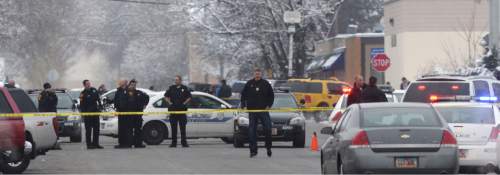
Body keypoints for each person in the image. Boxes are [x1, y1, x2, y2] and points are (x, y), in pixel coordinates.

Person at [241, 69, 274, 158]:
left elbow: (271, 95)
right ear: (254, 74)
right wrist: (243, 105)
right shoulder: (249, 84)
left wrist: (269, 105)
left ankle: (268, 148)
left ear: (261, 74)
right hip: (252, 111)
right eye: (256, 73)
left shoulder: (266, 84)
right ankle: (253, 150)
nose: (257, 75)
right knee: (252, 131)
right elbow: (243, 95)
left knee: (268, 128)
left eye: (259, 73)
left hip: (263, 110)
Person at [165, 75, 192, 148]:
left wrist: (184, 103)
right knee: (173, 128)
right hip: (173, 111)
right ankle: (174, 143)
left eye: (177, 80)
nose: (176, 81)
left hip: (182, 111)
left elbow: (189, 97)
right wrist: (170, 102)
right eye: (175, 80)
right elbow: (166, 96)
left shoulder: (184, 88)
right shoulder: (171, 88)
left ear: (180, 80)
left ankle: (184, 143)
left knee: (182, 128)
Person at [124, 79, 149, 148]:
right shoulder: (125, 92)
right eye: (132, 85)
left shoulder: (139, 92)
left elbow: (147, 97)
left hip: (137, 115)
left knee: (138, 129)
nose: (133, 86)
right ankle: (129, 144)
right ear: (129, 85)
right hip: (129, 115)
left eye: (134, 85)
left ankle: (138, 144)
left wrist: (144, 105)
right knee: (129, 130)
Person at [79, 80, 103, 149]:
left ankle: (96, 144)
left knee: (96, 129)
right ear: (84, 85)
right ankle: (89, 145)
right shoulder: (82, 93)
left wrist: (100, 106)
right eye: (87, 84)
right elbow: (81, 105)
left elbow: (98, 99)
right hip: (88, 114)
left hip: (95, 113)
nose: (89, 85)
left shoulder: (94, 90)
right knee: (88, 130)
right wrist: (83, 113)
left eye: (89, 83)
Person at [114, 80, 130, 149]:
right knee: (121, 128)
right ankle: (121, 143)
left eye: (121, 82)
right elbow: (116, 100)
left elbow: (130, 100)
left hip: (127, 112)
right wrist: (116, 107)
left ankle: (127, 143)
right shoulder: (118, 91)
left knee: (127, 128)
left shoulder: (128, 90)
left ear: (125, 83)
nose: (119, 83)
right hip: (120, 112)